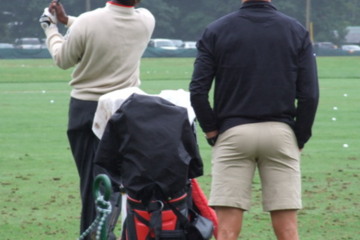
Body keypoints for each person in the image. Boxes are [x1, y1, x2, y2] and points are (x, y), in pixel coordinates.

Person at [189, 0, 319, 239]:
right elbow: (309, 95)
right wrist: (299, 136)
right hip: (280, 132)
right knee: (288, 230)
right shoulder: (295, 30)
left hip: (233, 133)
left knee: (226, 230)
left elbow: (198, 91)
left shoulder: (217, 29)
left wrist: (211, 130)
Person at [39, 0, 155, 238]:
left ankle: (95, 234)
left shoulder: (87, 22)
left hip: (88, 109)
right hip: (126, 108)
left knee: (93, 183)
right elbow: (106, 32)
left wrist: (50, 28)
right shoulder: (146, 19)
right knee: (116, 180)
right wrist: (68, 21)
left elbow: (63, 59)